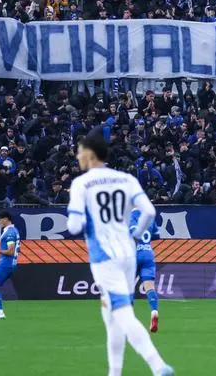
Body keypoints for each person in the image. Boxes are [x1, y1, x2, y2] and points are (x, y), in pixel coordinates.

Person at [66, 130, 174, 376]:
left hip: (104, 255)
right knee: (110, 314)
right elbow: (149, 211)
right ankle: (114, 372)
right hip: (128, 251)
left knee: (122, 312)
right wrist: (135, 236)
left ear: (90, 154)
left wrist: (86, 222)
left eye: (80, 151)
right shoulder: (126, 180)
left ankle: (157, 365)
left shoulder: (81, 184)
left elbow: (73, 226)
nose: (77, 155)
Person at [130, 207, 160, 332]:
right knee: (149, 287)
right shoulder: (150, 217)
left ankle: (129, 320)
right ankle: (154, 311)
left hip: (133, 254)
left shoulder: (129, 217)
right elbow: (156, 236)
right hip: (148, 253)